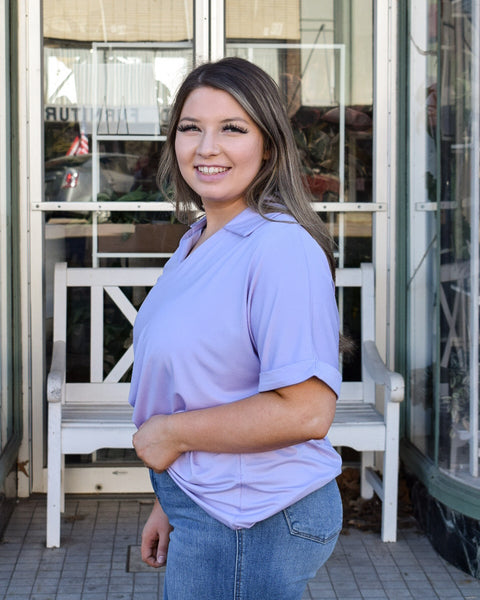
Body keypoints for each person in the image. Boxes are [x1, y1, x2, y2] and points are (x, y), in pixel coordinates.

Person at [130, 56, 343, 600]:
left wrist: (169, 435)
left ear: (268, 144)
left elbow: (306, 410)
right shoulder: (198, 236)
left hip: (254, 519)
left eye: (232, 128)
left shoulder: (280, 247)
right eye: (190, 128)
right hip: (208, 503)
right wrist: (169, 499)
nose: (206, 147)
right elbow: (206, 385)